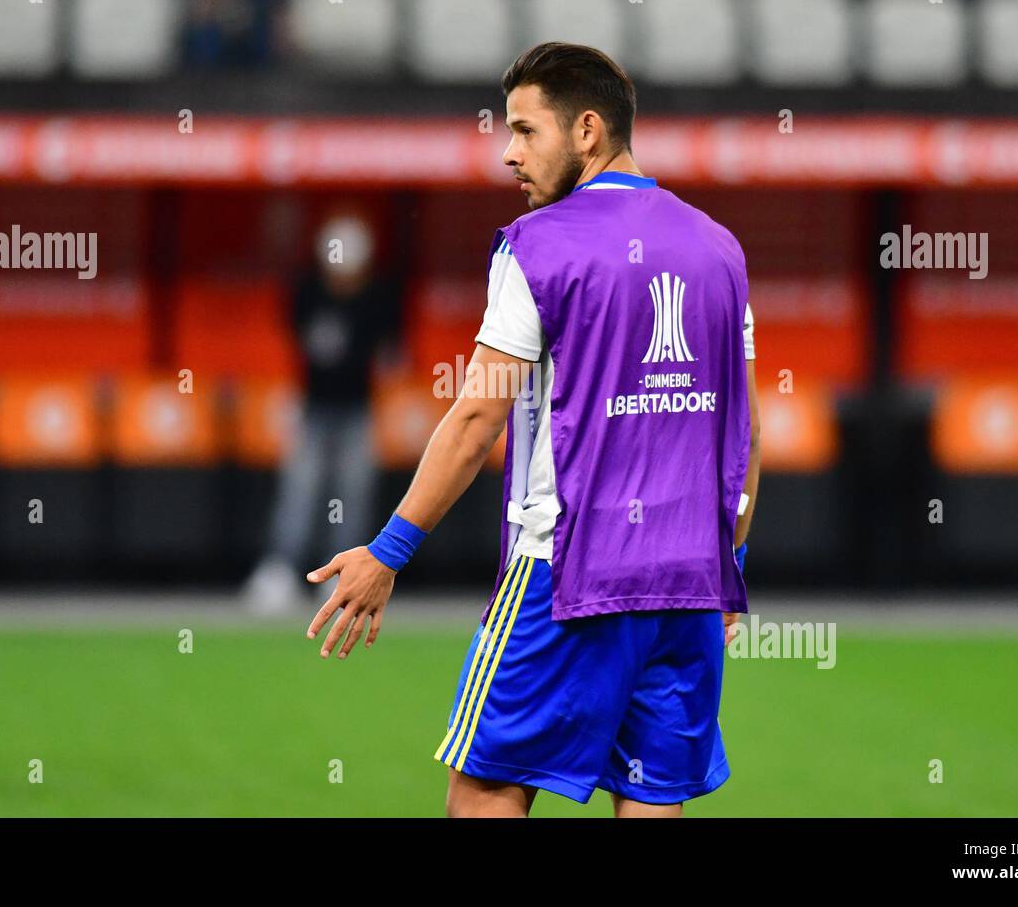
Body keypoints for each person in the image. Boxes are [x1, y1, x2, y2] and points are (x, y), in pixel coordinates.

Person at [305, 42, 762, 818]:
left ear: (587, 131)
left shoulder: (540, 246)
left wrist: (389, 551)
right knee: (653, 802)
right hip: (689, 581)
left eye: (524, 131)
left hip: (569, 578)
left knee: (482, 792)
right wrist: (732, 563)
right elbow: (744, 434)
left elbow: (479, 413)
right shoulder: (719, 248)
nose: (508, 155)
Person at [243, 213, 399, 614]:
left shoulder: (377, 297)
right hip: (312, 410)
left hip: (357, 411)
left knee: (351, 496)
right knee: (299, 491)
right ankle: (280, 569)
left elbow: (389, 353)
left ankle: (340, 577)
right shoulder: (308, 292)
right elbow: (298, 339)